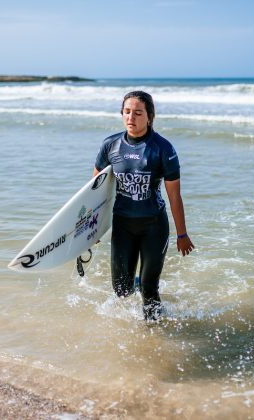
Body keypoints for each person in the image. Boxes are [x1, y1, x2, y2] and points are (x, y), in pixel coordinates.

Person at [93, 91, 195, 321]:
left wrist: (182, 234)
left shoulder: (163, 149)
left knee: (150, 290)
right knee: (121, 289)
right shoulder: (111, 145)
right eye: (127, 112)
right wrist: (94, 229)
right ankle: (138, 280)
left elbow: (174, 196)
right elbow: (96, 192)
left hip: (153, 226)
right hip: (123, 226)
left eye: (138, 113)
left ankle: (153, 335)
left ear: (149, 117)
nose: (131, 117)